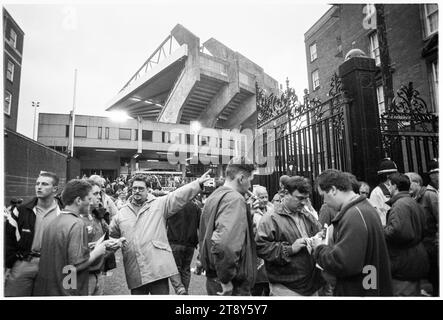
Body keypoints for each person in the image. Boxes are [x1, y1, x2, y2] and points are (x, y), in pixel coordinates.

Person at [109, 171, 211, 295]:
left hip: (157, 271)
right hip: (135, 272)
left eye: (141, 188)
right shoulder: (122, 213)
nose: (137, 191)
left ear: (148, 190)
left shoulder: (159, 205)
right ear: (131, 189)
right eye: (134, 188)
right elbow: (111, 236)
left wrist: (197, 183)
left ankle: (181, 289)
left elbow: (178, 196)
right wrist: (115, 244)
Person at [312, 169, 393, 296]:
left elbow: (343, 263)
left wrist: (319, 248)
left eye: (323, 196)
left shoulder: (354, 215)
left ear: (333, 190)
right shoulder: (363, 208)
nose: (324, 202)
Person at [33, 179, 108, 296]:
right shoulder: (77, 223)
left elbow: (62, 254)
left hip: (50, 289)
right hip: (66, 290)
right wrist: (97, 252)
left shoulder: (53, 221)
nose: (90, 203)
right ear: (78, 200)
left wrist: (86, 248)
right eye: (88, 199)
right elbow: (74, 265)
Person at [255, 176, 324, 296]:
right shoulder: (270, 219)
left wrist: (320, 236)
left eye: (306, 199)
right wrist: (290, 249)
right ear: (286, 194)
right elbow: (261, 248)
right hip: (286, 288)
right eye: (300, 198)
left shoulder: (305, 213)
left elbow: (318, 230)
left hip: (311, 285)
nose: (303, 202)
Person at [199, 157, 257, 296]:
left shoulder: (214, 195)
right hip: (231, 283)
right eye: (250, 179)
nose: (250, 185)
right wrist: (226, 279)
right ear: (242, 178)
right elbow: (225, 244)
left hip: (215, 277)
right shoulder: (234, 199)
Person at [4, 172, 62, 297]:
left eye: (44, 184)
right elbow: (7, 239)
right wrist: (9, 264)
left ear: (55, 189)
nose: (39, 187)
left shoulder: (63, 212)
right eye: (37, 184)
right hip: (24, 263)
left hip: (51, 266)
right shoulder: (21, 210)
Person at [384, 173, 429, 296]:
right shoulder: (412, 202)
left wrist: (382, 231)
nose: (388, 188)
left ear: (394, 186)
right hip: (415, 258)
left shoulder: (399, 205)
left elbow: (397, 232)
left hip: (403, 261)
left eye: (389, 185)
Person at [167, 198, 202, 295]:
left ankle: (180, 291)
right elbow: (200, 226)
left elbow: (165, 223)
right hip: (190, 243)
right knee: (186, 269)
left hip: (175, 241)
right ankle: (184, 292)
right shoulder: (196, 207)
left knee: (175, 269)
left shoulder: (173, 206)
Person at [250, 185, 273, 296]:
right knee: (257, 288)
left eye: (266, 196)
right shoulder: (251, 212)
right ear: (256, 198)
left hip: (270, 251)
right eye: (261, 197)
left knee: (269, 287)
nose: (264, 200)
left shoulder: (272, 209)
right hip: (256, 254)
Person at [368, 158, 398, 226]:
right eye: (395, 174)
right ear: (388, 176)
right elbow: (375, 215)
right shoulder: (377, 192)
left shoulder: (396, 188)